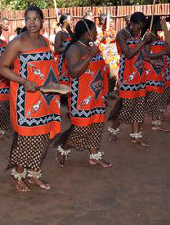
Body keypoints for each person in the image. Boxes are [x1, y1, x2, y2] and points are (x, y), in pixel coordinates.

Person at [0, 5, 61, 193]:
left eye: (35, 19)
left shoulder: (44, 41)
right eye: (28, 19)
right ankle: (18, 176)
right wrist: (23, 81)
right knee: (26, 138)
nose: (31, 23)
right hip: (24, 100)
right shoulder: (18, 42)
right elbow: (2, 67)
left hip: (45, 98)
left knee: (42, 136)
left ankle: (34, 174)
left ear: (42, 21)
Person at [54, 19, 112, 168]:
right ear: (87, 33)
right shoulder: (74, 49)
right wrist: (90, 56)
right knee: (82, 127)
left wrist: (105, 91)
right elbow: (74, 72)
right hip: (81, 95)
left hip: (97, 94)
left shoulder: (92, 47)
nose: (96, 33)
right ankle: (63, 148)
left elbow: (101, 70)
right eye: (94, 30)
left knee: (97, 125)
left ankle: (94, 155)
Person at [108, 12, 151, 147]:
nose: (139, 30)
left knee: (139, 106)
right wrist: (144, 41)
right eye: (137, 27)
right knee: (127, 107)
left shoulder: (137, 34)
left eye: (141, 27)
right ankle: (114, 129)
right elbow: (128, 53)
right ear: (131, 23)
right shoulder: (122, 34)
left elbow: (143, 53)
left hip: (139, 74)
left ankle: (136, 136)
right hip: (127, 75)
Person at [142, 16, 170, 132]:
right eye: (159, 22)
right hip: (151, 71)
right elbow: (146, 55)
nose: (161, 24)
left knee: (152, 97)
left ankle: (151, 119)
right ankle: (155, 121)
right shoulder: (148, 37)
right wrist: (164, 52)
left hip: (158, 70)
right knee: (154, 97)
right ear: (153, 24)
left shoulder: (156, 37)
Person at [54, 14, 73, 88]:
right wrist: (69, 47)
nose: (72, 21)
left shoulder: (69, 33)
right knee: (63, 85)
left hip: (71, 61)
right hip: (63, 62)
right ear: (65, 21)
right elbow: (56, 49)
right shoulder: (60, 33)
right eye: (71, 19)